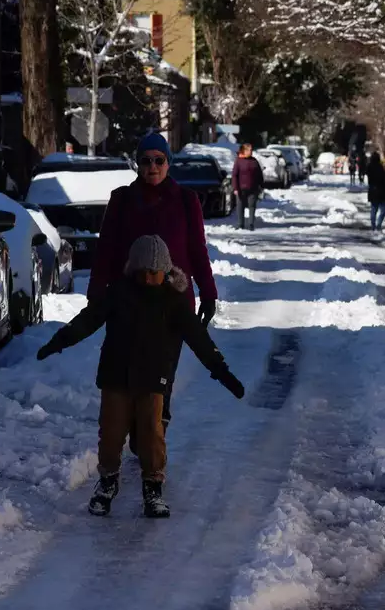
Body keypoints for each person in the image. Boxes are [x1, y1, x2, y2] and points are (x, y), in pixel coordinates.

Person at [37, 235, 244, 518]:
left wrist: (221, 371)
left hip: (153, 378)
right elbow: (87, 321)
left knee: (151, 433)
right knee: (110, 432)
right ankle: (107, 481)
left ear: (166, 272)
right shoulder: (118, 293)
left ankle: (153, 486)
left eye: (155, 273)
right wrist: (58, 342)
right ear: (133, 269)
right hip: (115, 376)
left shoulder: (173, 302)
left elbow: (199, 339)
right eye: (143, 272)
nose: (148, 278)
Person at [88, 132, 219, 437]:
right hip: (128, 303)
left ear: (168, 163)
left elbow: (197, 250)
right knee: (128, 369)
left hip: (173, 304)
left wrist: (208, 294)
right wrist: (96, 294)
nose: (152, 167)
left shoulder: (186, 201)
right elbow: (106, 250)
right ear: (138, 164)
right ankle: (140, 424)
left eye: (159, 160)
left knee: (162, 372)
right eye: (145, 160)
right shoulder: (122, 200)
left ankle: (155, 427)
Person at [232, 142, 264, 231]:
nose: (251, 151)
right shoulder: (238, 161)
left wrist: (261, 185)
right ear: (244, 151)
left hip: (253, 188)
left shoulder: (254, 161)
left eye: (251, 150)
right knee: (240, 206)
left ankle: (251, 224)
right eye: (249, 150)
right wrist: (235, 188)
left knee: (252, 206)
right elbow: (234, 175)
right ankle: (240, 224)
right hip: (241, 188)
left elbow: (259, 174)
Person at [365, 151, 385, 231]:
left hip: (372, 190)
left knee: (374, 209)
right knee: (383, 209)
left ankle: (373, 225)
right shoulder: (380, 167)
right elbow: (383, 178)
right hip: (381, 190)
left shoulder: (369, 167)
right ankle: (378, 225)